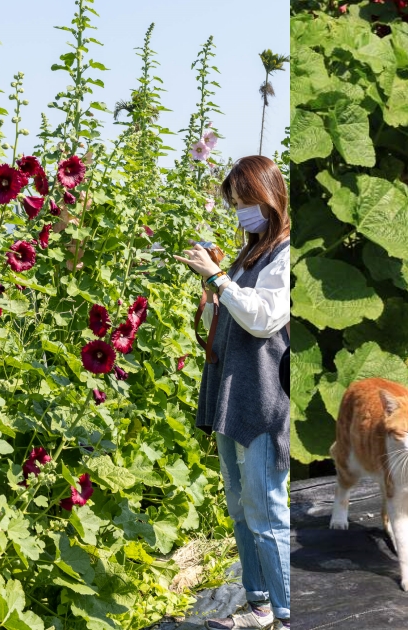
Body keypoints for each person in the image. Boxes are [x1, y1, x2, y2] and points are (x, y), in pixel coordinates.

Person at [172, 155, 292, 628]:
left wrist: (219, 278)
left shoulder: (284, 255)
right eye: (236, 203)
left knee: (266, 510)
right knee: (241, 506)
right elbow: (229, 322)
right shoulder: (250, 253)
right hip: (231, 391)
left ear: (271, 197)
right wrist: (211, 296)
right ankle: (259, 605)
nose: (242, 211)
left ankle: (286, 616)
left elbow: (264, 319)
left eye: (247, 202)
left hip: (262, 398)